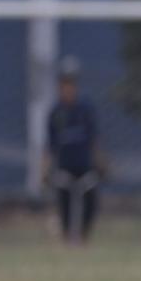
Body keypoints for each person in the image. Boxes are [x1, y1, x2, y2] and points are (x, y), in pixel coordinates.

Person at [45, 57, 102, 245]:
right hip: (64, 166)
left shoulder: (85, 109)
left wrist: (101, 162)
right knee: (64, 200)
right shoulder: (56, 112)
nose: (68, 88)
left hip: (84, 166)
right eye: (64, 84)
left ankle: (84, 237)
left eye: (71, 83)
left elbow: (94, 140)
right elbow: (50, 145)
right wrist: (44, 169)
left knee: (91, 200)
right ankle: (67, 238)